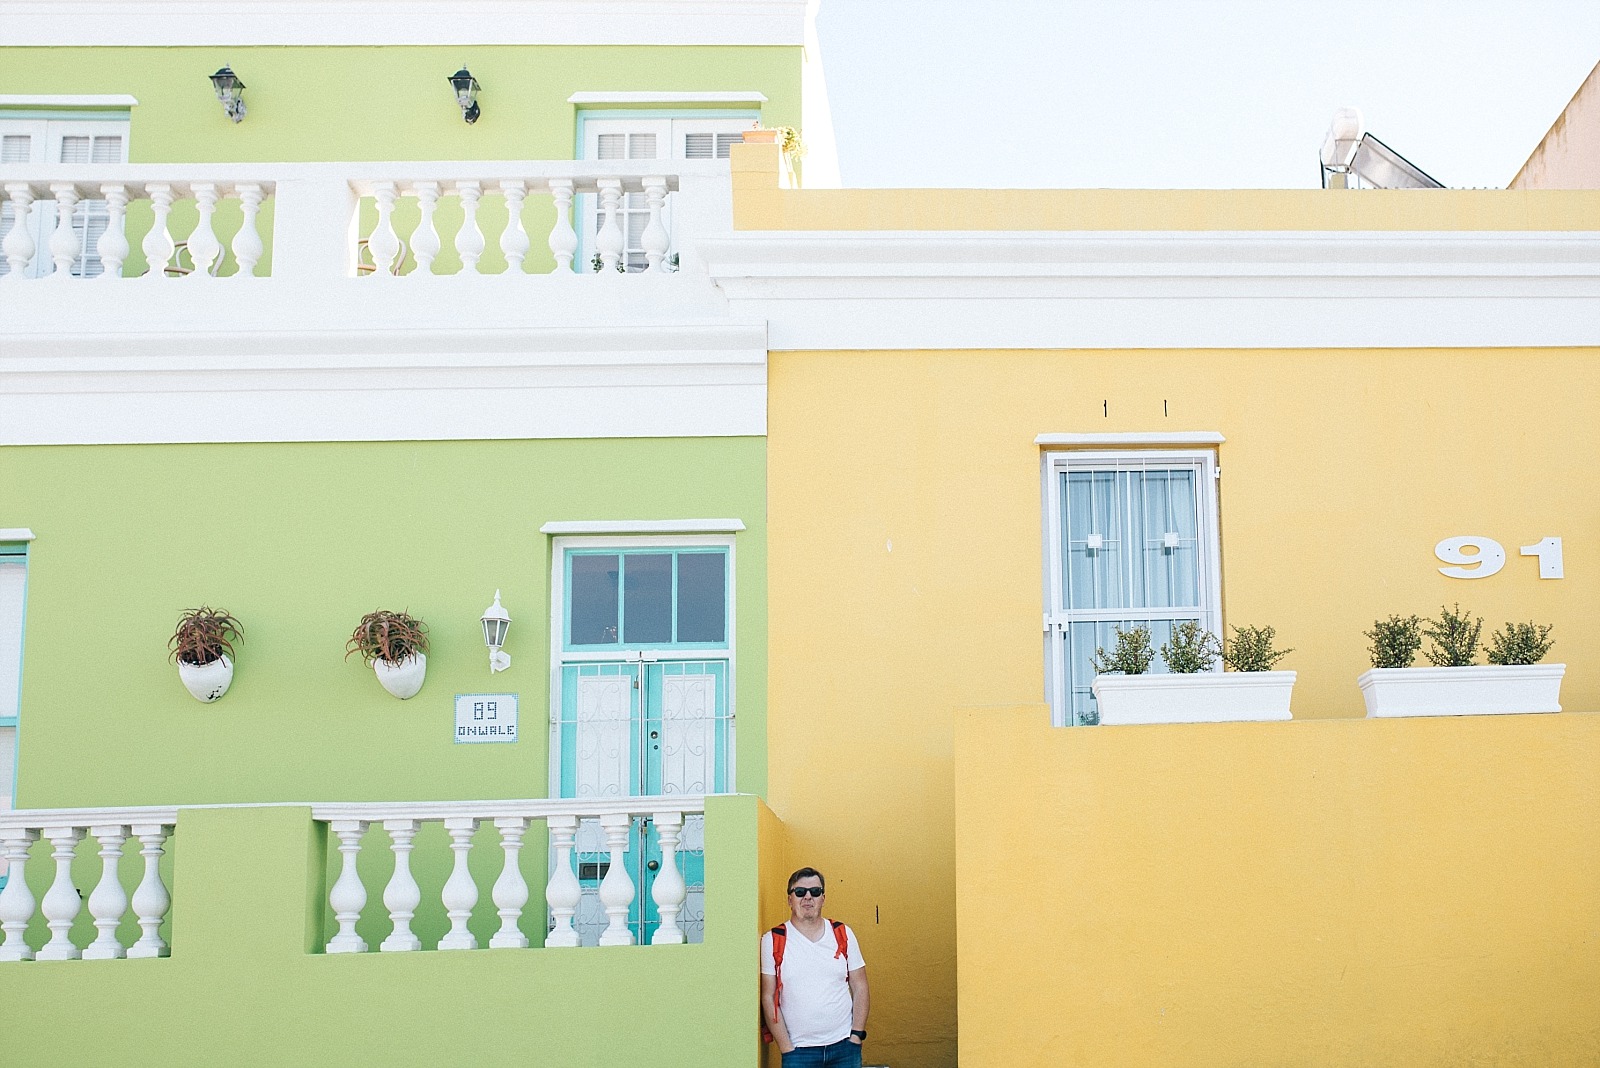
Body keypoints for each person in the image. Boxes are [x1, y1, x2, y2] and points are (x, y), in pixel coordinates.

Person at [760, 867, 869, 1067]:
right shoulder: (773, 940)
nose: (808, 897)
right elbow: (768, 996)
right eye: (800, 892)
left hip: (844, 1048)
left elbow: (860, 986)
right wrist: (786, 1047)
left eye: (815, 892)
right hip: (798, 1052)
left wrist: (856, 1036)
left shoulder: (842, 933)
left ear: (823, 898)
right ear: (790, 899)